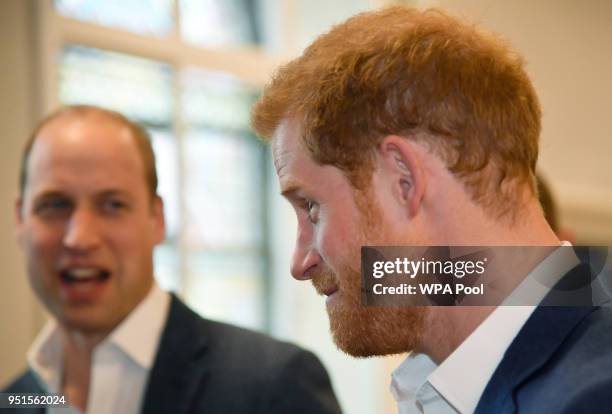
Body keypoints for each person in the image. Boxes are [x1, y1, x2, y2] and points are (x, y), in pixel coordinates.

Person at [252, 6, 612, 414]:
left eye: (312, 208)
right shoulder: (456, 386)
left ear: (403, 179)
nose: (301, 263)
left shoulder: (592, 398)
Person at [3, 105, 342, 414]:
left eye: (112, 205)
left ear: (157, 219)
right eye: (55, 205)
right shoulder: (14, 400)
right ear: (20, 220)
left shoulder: (273, 386)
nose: (79, 238)